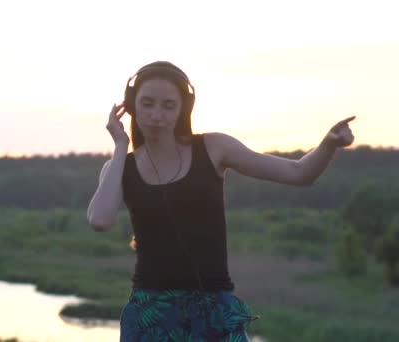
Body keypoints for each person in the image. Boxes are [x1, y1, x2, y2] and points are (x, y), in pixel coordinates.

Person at [86, 61, 355, 341]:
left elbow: (299, 173)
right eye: (147, 103)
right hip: (151, 310)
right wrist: (120, 145)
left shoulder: (213, 148)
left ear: (183, 109)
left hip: (215, 307)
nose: (157, 114)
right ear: (131, 106)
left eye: (168, 105)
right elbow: (100, 220)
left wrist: (329, 143)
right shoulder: (119, 167)